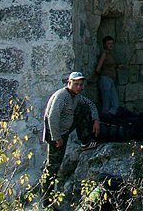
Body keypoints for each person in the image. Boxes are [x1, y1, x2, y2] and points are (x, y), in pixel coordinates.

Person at [41, 71, 100, 205]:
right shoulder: (61, 96)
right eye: (76, 84)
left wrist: (96, 119)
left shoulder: (76, 97)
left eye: (80, 85)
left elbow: (90, 104)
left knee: (84, 109)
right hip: (55, 134)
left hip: (65, 131)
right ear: (69, 83)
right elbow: (52, 117)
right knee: (53, 167)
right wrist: (57, 138)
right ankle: (46, 202)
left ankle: (85, 141)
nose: (79, 87)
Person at [94, 35, 120, 115]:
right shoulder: (104, 54)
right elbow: (98, 69)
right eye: (109, 43)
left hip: (110, 79)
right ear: (105, 45)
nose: (111, 45)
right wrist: (104, 74)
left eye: (112, 43)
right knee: (106, 104)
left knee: (115, 104)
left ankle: (108, 118)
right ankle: (105, 119)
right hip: (105, 79)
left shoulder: (110, 54)